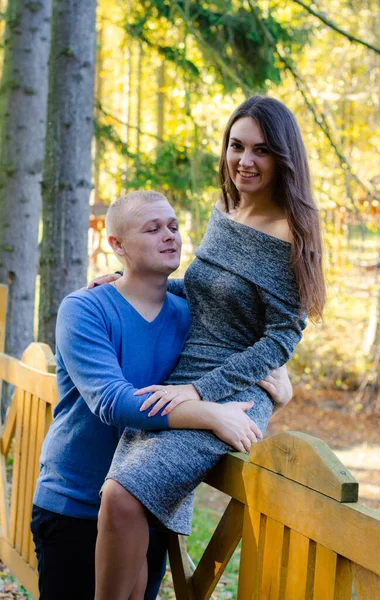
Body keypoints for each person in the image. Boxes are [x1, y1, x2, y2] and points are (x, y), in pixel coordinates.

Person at [92, 95, 326, 600]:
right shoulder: (227, 209)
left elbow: (284, 336)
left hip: (231, 391)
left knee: (122, 495)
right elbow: (205, 290)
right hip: (186, 374)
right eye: (236, 146)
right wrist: (125, 281)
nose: (244, 161)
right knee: (121, 505)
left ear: (283, 158)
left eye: (261, 151)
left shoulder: (291, 232)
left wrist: (202, 390)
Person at [31, 190, 292, 600]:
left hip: (146, 507)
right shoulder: (84, 309)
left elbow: (244, 340)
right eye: (152, 229)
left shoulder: (190, 316)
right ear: (117, 245)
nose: (169, 236)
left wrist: (281, 385)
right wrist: (208, 414)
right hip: (74, 507)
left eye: (172, 226)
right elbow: (113, 402)